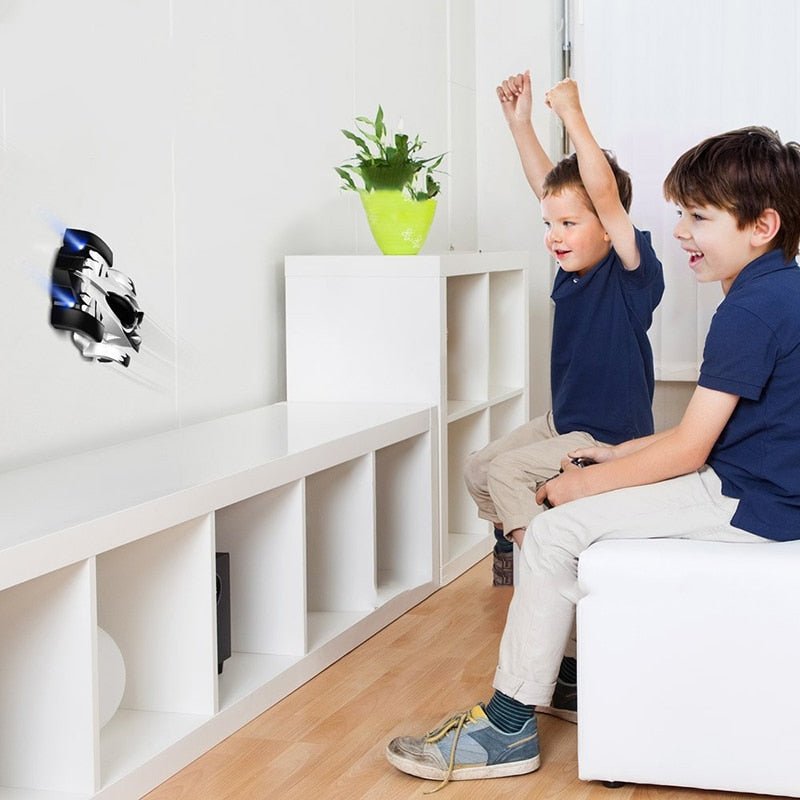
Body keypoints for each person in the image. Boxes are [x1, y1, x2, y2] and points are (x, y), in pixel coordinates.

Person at [386, 124, 800, 788]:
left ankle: (509, 726)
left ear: (762, 225)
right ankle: (560, 670)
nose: (683, 232)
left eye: (699, 216)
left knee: (553, 533)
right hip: (750, 483)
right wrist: (616, 453)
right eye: (681, 214)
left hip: (749, 501)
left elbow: (694, 450)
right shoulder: (775, 292)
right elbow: (707, 430)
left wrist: (585, 488)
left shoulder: (749, 313)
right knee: (565, 500)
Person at [467, 73, 664, 721]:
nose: (554, 233)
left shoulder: (630, 272)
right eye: (549, 223)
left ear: (610, 227)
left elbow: (599, 192)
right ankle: (517, 554)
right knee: (479, 469)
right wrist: (520, 124)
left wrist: (573, 114)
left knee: (503, 473)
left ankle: (539, 567)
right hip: (562, 420)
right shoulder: (571, 265)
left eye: (570, 223)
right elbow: (548, 186)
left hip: (602, 435)